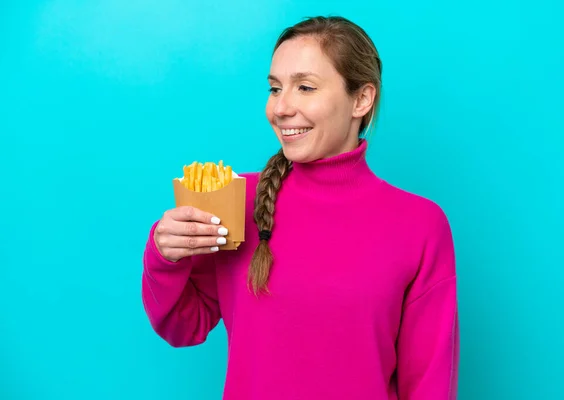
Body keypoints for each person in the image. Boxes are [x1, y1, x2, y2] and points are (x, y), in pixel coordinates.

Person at [142, 15, 459, 400]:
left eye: (305, 87)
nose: (281, 108)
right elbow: (182, 325)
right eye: (275, 89)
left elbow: (428, 383)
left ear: (361, 99)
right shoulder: (234, 198)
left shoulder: (420, 225)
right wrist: (164, 255)